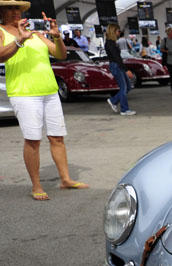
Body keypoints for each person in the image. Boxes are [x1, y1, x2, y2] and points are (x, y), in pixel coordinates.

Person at [0, 1, 88, 200]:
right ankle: (36, 185)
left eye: (17, 9)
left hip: (49, 91)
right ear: (1, 12)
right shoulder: (2, 32)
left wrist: (57, 37)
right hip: (24, 93)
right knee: (33, 140)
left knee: (57, 137)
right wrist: (18, 41)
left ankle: (66, 179)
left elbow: (60, 54)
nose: (15, 12)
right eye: (10, 8)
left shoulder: (36, 33)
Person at [104, 24, 135, 116]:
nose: (119, 33)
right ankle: (124, 109)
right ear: (113, 31)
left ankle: (114, 100)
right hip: (116, 66)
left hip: (117, 65)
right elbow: (117, 57)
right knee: (124, 88)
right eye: (118, 31)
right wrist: (126, 70)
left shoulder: (113, 43)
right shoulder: (110, 43)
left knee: (128, 87)